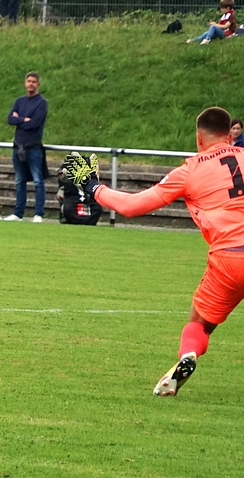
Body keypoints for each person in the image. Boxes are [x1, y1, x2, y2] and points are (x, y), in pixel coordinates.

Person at [63, 108, 244, 397]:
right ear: (230, 134)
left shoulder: (190, 170)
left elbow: (131, 206)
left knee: (199, 324)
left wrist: (93, 186)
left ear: (199, 138)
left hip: (229, 258)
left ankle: (188, 356)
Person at [5, 72, 48, 222]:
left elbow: (35, 123)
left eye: (34, 82)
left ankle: (38, 214)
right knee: (19, 180)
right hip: (18, 146)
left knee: (38, 181)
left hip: (33, 147)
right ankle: (18, 213)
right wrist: (24, 119)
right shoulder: (19, 101)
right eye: (29, 81)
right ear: (25, 83)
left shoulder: (41, 103)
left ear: (38, 84)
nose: (31, 84)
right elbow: (10, 119)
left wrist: (19, 120)